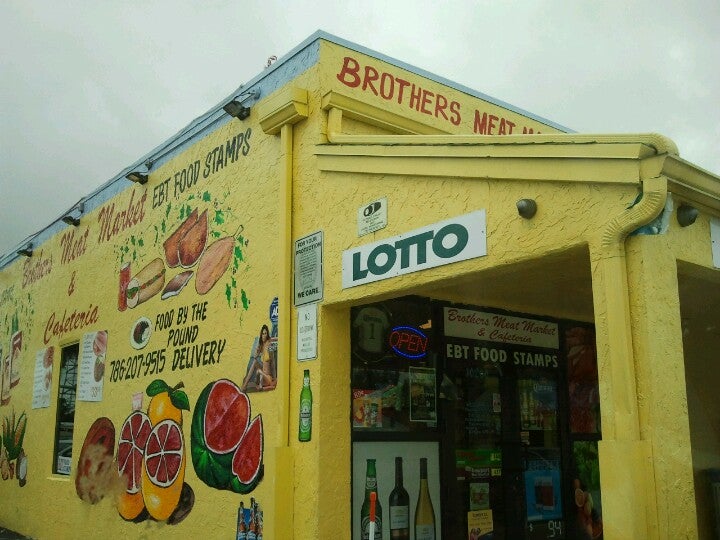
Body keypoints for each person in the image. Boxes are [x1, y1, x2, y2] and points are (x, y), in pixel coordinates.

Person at [241, 325, 276, 391]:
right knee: (255, 362)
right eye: (263, 334)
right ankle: (245, 384)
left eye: (265, 333)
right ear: (261, 335)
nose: (264, 335)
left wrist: (275, 378)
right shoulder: (261, 346)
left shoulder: (269, 344)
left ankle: (250, 384)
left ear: (267, 335)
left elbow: (273, 365)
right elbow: (255, 357)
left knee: (259, 371)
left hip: (268, 378)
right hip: (261, 376)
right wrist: (257, 351)